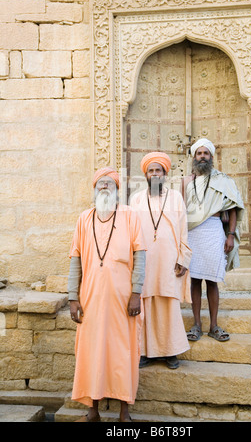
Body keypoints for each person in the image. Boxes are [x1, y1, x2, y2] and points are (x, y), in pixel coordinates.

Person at [67, 167, 146, 422]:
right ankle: (93, 411)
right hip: (90, 298)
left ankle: (125, 412)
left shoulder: (130, 216)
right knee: (91, 352)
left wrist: (136, 293)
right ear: (94, 189)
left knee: (123, 352)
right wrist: (72, 297)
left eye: (108, 183)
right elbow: (75, 260)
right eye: (100, 183)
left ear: (116, 189)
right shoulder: (84, 218)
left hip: (123, 299)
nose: (104, 187)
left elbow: (140, 255)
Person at [130, 152, 192, 370]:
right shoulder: (136, 199)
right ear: (145, 174)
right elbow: (132, 232)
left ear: (165, 173)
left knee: (168, 303)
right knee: (145, 303)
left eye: (158, 170)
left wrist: (183, 257)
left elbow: (183, 228)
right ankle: (145, 352)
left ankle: (170, 351)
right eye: (151, 171)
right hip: (145, 260)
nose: (154, 174)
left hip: (169, 260)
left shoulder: (175, 197)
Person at [181, 138, 244, 342]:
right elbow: (182, 209)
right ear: (194, 157)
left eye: (205, 153)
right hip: (192, 233)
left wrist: (230, 235)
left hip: (214, 230)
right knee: (195, 280)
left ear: (211, 157)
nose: (202, 157)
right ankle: (197, 325)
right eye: (198, 154)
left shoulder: (223, 180)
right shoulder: (186, 181)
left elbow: (232, 209)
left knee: (212, 280)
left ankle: (214, 325)